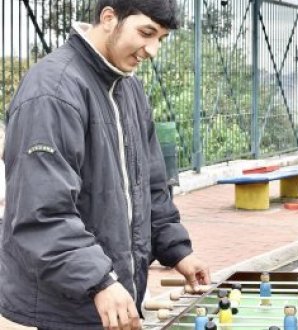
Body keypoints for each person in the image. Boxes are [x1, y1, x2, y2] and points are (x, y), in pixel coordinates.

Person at [0, 1, 210, 329]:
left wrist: (178, 250)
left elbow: (151, 189)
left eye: (161, 39)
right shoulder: (53, 91)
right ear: (109, 18)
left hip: (111, 299)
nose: (153, 50)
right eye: (146, 33)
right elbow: (42, 213)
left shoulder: (130, 90)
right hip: (61, 310)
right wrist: (99, 281)